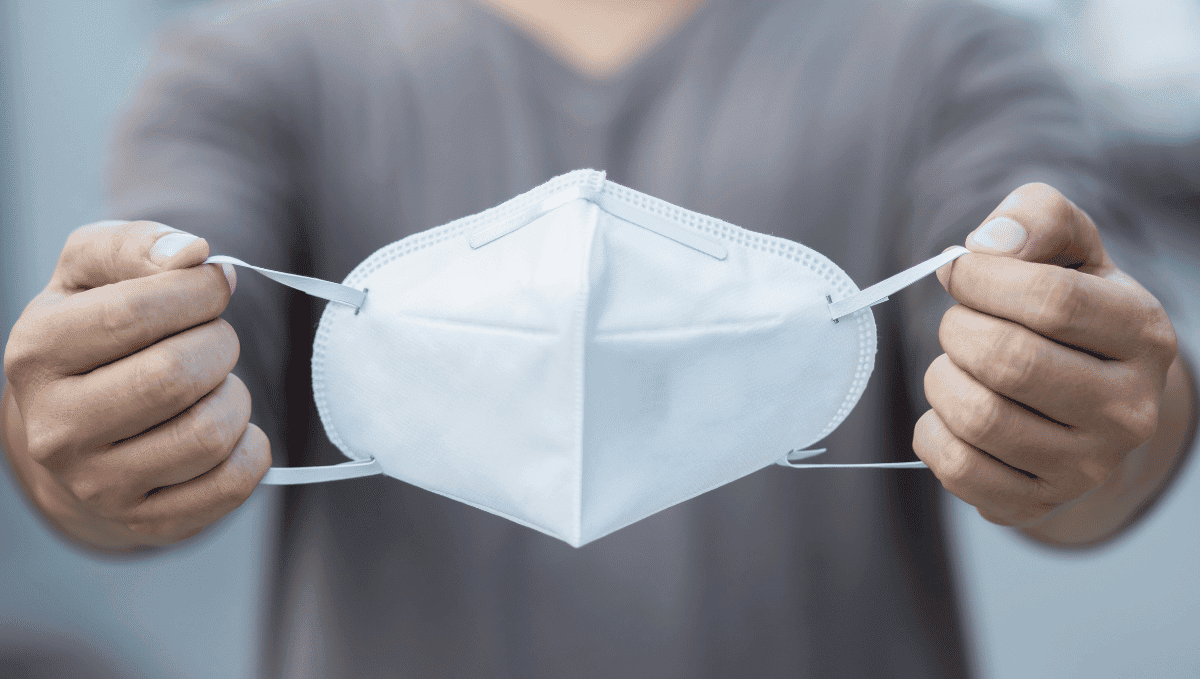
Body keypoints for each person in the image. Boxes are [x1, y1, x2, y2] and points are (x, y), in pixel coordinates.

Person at [2, 0, 1195, 676]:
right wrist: (91, 429)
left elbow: (1071, 387)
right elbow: (163, 363)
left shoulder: (945, 53)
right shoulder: (255, 64)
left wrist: (1098, 418)